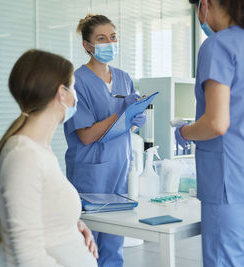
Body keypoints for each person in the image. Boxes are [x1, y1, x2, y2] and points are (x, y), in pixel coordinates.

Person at [175, 0, 244, 266]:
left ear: (206, 4)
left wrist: (185, 131)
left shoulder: (217, 45)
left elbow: (215, 124)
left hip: (229, 187)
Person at [0, 49, 98, 266]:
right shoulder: (23, 156)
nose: (76, 96)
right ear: (61, 93)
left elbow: (44, 212)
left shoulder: (39, 150)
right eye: (73, 87)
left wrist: (70, 227)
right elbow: (28, 260)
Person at [64, 14, 146, 266]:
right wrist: (122, 114)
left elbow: (125, 128)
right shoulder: (76, 82)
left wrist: (135, 118)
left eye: (113, 37)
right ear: (87, 45)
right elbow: (86, 135)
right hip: (91, 174)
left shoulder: (123, 77)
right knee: (89, 245)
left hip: (119, 169)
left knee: (113, 243)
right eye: (101, 39)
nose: (109, 43)